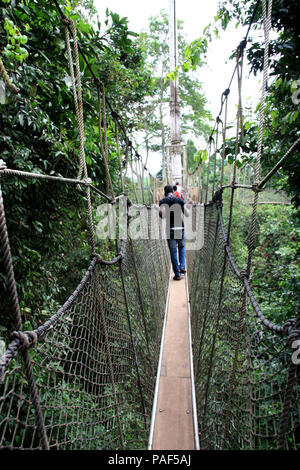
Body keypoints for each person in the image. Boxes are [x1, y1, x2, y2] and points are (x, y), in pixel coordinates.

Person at [159, 184, 189, 281]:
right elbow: (187, 214)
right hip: (180, 227)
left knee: (173, 252)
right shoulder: (179, 200)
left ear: (165, 192)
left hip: (170, 229)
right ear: (173, 191)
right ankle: (182, 266)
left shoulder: (163, 201)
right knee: (181, 247)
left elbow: (162, 215)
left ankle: (177, 274)